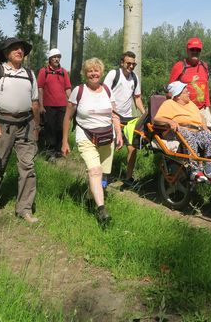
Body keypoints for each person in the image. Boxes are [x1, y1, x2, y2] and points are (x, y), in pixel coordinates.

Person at [0, 37, 40, 224]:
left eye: (21, 49)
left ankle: (24, 209)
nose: (19, 51)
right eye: (14, 48)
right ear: (6, 53)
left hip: (26, 124)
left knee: (28, 166)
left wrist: (37, 126)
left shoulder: (29, 74)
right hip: (2, 124)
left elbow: (35, 103)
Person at [62, 58, 123, 226]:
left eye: (96, 70)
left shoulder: (107, 90)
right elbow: (67, 117)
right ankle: (101, 210)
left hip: (106, 138)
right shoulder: (78, 91)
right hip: (86, 136)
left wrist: (119, 133)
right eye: (90, 71)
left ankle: (89, 199)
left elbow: (114, 114)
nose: (93, 73)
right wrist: (64, 141)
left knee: (100, 174)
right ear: (85, 73)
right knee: (95, 170)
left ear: (101, 72)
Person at [153, 81, 211, 186]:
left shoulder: (191, 104)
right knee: (187, 134)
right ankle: (194, 170)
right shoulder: (169, 103)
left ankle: (209, 170)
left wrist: (204, 127)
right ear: (178, 96)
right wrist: (170, 121)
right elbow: (157, 119)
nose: (189, 93)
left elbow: (202, 117)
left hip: (196, 130)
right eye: (186, 92)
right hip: (179, 130)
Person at [103, 51, 146, 187]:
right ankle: (103, 176)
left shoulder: (134, 78)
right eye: (129, 63)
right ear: (122, 63)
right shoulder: (113, 74)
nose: (131, 66)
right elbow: (104, 93)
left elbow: (137, 98)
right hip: (110, 116)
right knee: (108, 147)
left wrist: (145, 114)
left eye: (134, 64)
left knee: (132, 147)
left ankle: (128, 178)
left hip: (127, 118)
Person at [169, 37, 211, 129]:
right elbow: (170, 91)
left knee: (210, 135)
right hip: (185, 109)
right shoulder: (180, 66)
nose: (195, 52)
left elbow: (206, 88)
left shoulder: (204, 66)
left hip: (203, 109)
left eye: (197, 50)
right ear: (187, 51)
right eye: (192, 49)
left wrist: (208, 107)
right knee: (188, 138)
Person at [37, 48, 72, 159]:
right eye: (54, 57)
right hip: (48, 105)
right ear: (50, 59)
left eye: (58, 57)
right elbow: (40, 88)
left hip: (62, 105)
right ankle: (49, 151)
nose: (56, 59)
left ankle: (59, 150)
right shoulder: (44, 71)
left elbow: (68, 89)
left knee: (61, 128)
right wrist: (41, 105)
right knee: (50, 128)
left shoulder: (64, 72)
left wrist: (72, 103)